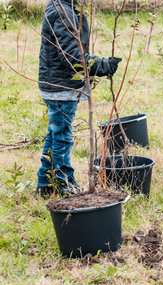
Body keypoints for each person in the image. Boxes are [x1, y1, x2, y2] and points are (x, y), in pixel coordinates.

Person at [36, 0, 121, 197]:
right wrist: (100, 65)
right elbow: (71, 57)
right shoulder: (62, 12)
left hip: (59, 85)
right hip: (60, 87)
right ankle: (64, 182)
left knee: (55, 135)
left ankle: (45, 183)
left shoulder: (63, 7)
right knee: (62, 137)